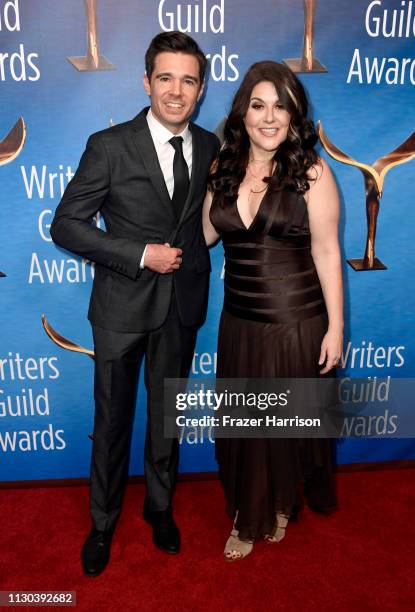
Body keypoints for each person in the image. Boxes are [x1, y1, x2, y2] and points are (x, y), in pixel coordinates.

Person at [51, 31, 219, 576]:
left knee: (167, 418)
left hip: (181, 308)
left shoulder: (213, 147)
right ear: (146, 82)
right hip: (121, 309)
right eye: (165, 78)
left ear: (200, 88)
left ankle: (159, 507)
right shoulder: (110, 145)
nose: (176, 90)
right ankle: (102, 522)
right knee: (113, 420)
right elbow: (66, 225)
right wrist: (139, 253)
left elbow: (207, 223)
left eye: (188, 80)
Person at [203, 61, 343, 560]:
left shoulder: (312, 172)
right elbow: (203, 235)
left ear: (293, 115)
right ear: (242, 113)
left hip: (295, 320)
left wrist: (337, 328)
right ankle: (250, 509)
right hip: (239, 320)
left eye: (280, 106)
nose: (269, 117)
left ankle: (276, 506)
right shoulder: (222, 168)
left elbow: (327, 253)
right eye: (258, 105)